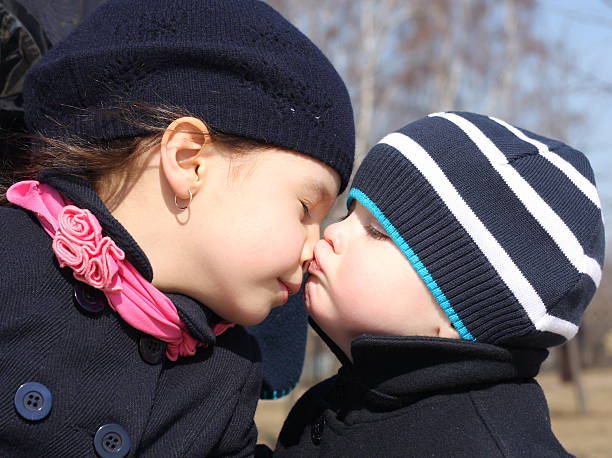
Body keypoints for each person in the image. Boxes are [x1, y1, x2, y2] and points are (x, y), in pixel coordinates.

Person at [0, 0, 354, 456]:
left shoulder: (227, 374)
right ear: (189, 163)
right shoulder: (12, 259)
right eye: (306, 208)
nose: (315, 247)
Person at [269, 112, 604, 457]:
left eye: (376, 231)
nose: (333, 231)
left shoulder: (484, 447)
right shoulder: (329, 404)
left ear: (461, 314)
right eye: (349, 213)